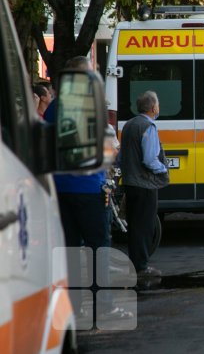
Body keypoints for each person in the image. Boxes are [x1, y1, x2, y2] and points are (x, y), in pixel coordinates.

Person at [51, 55, 132, 321]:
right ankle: (104, 305)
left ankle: (75, 306)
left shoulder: (53, 108)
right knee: (99, 248)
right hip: (89, 187)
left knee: (71, 249)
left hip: (60, 189)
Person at [120, 91, 169, 278]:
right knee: (145, 226)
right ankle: (141, 267)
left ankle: (136, 263)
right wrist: (163, 169)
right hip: (145, 185)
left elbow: (122, 156)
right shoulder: (148, 127)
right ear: (153, 107)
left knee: (134, 225)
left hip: (130, 182)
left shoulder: (129, 125)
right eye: (158, 105)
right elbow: (150, 159)